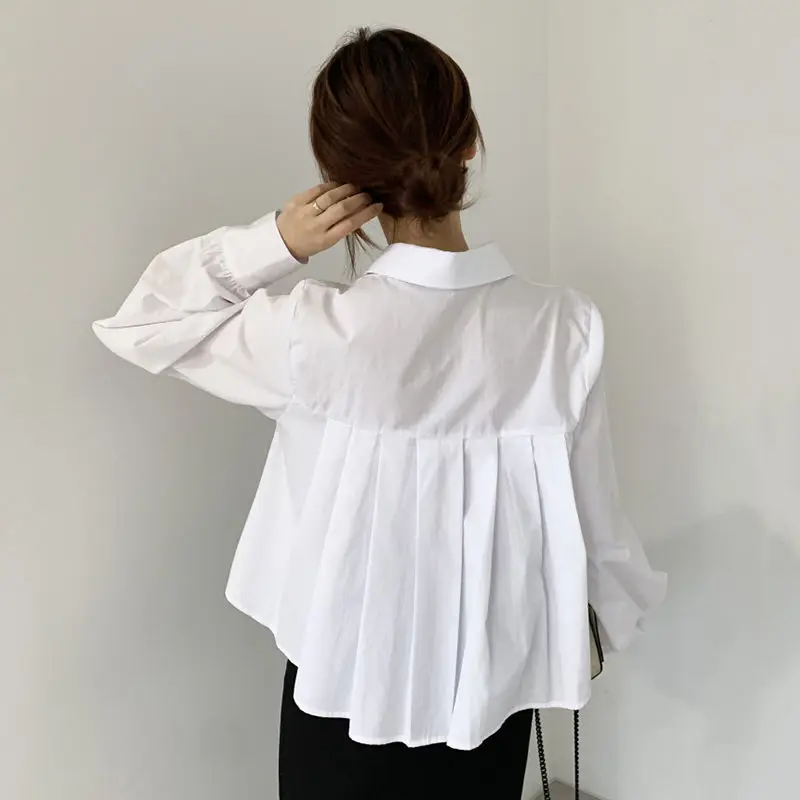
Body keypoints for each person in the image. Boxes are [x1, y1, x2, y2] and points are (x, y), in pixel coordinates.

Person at [93, 27, 666, 800]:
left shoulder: (314, 335)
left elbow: (144, 322)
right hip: (493, 690)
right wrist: (601, 627)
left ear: (343, 180)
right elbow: (597, 526)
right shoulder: (565, 329)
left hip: (342, 689)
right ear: (469, 143)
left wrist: (276, 241)